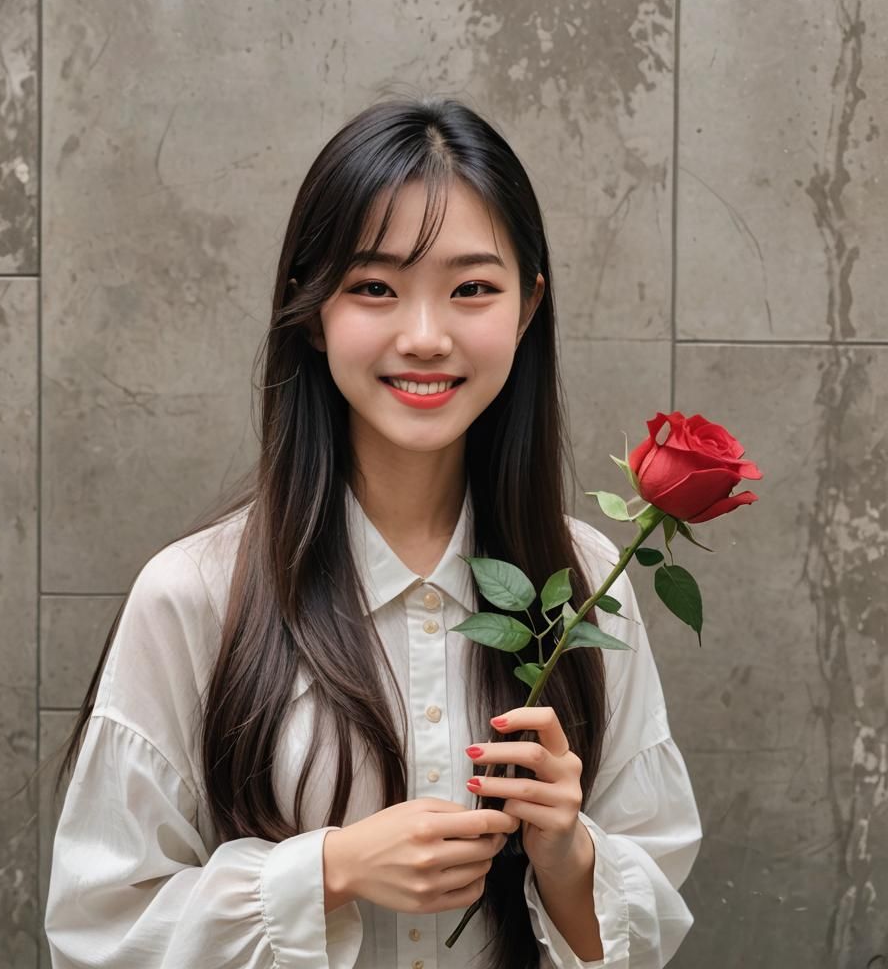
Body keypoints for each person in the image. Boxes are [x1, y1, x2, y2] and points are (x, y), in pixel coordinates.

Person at [43, 96, 702, 969]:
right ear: (312, 310)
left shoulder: (586, 581)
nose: (424, 337)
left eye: (472, 288)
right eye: (374, 289)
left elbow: (647, 912)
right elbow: (99, 931)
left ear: (529, 304)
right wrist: (330, 870)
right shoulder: (194, 595)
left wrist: (566, 854)